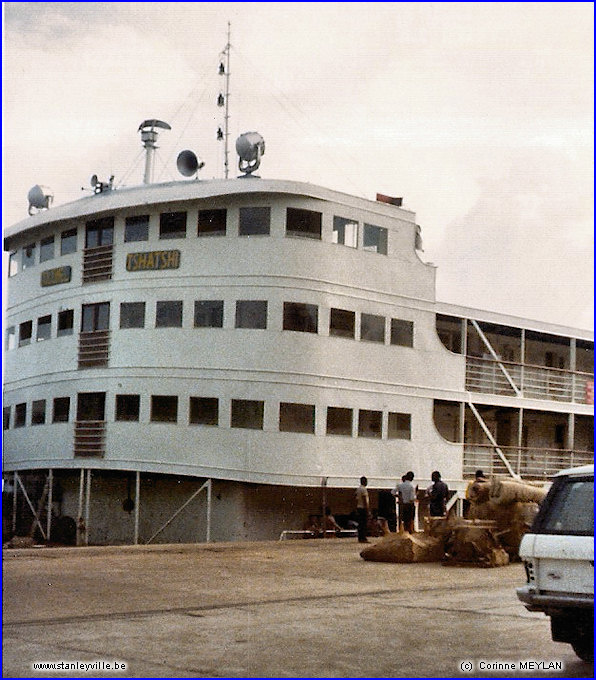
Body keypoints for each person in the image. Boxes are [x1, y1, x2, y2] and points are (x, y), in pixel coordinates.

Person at [355, 476, 370, 543]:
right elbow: (364, 499)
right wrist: (367, 509)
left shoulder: (358, 489)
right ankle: (363, 538)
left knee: (360, 524)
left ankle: (360, 537)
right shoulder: (364, 489)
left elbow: (355, 498)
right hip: (363, 508)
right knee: (364, 524)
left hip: (359, 507)